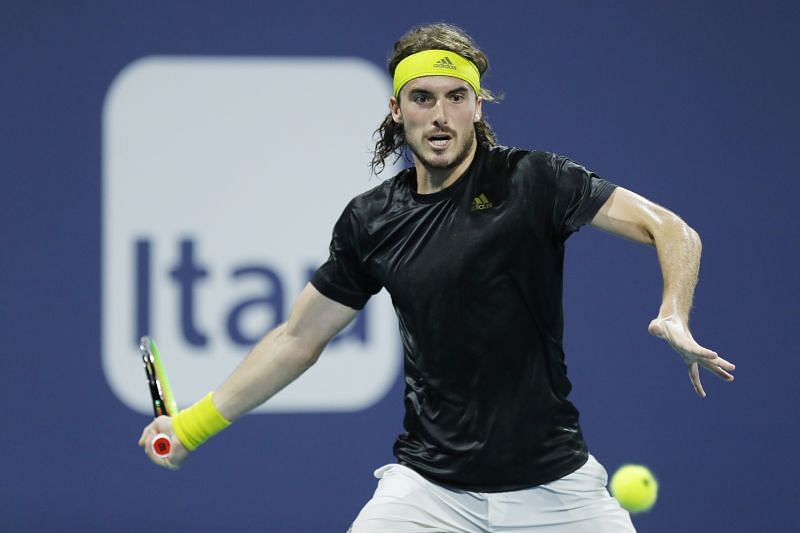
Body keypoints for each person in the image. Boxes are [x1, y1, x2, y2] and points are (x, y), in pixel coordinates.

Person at [139, 23, 735, 532]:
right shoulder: (371, 220)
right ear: (396, 111)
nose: (441, 115)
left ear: (479, 106)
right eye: (422, 98)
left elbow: (673, 229)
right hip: (430, 494)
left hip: (558, 492)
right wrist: (191, 426)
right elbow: (298, 339)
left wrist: (674, 311)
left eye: (456, 97)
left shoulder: (535, 181)